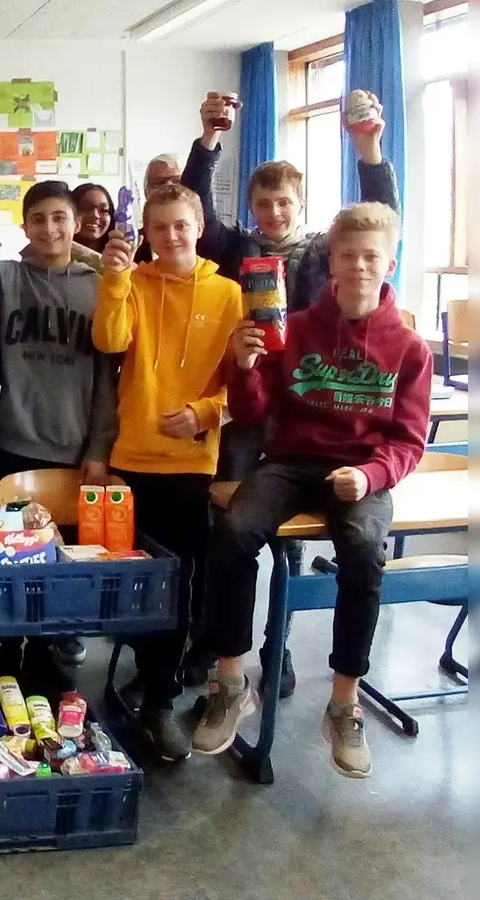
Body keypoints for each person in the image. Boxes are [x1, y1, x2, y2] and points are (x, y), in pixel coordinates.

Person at [191, 202, 431, 779]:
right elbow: (252, 411)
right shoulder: (293, 328)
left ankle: (344, 700)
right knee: (233, 531)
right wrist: (243, 365)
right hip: (290, 462)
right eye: (347, 255)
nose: (359, 266)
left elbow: (408, 440)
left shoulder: (409, 348)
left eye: (371, 256)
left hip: (362, 470)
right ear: (331, 261)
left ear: (390, 262)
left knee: (363, 551)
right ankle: (231, 681)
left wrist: (370, 475)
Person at [182, 89, 401, 693]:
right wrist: (209, 142)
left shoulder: (323, 253)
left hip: (308, 402)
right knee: (229, 527)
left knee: (292, 539)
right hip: (249, 400)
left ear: (300, 204)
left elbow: (380, 221)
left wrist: (369, 149)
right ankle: (214, 643)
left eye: (284, 202)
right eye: (263, 203)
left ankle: (276, 647)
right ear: (251, 207)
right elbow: (198, 208)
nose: (274, 212)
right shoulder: (237, 247)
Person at [0, 178, 119, 687]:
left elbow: (108, 382)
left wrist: (99, 448)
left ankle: (46, 650)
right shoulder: (7, 279)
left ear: (76, 223)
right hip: (11, 442)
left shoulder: (99, 288)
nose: (49, 228)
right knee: (6, 560)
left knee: (57, 565)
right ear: (25, 227)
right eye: (38, 219)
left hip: (73, 448)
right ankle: (6, 648)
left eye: (59, 217)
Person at [92, 184, 242, 761]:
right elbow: (110, 339)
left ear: (199, 226)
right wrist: (114, 279)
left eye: (181, 225)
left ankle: (160, 696)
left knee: (178, 586)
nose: (171, 236)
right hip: (131, 458)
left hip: (191, 464)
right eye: (159, 227)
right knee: (133, 582)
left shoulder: (229, 293)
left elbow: (246, 383)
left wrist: (205, 414)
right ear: (145, 233)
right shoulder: (133, 281)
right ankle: (140, 669)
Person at [71, 183, 115, 253]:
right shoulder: (56, 255)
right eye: (85, 208)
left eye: (103, 210)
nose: (95, 215)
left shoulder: (121, 254)